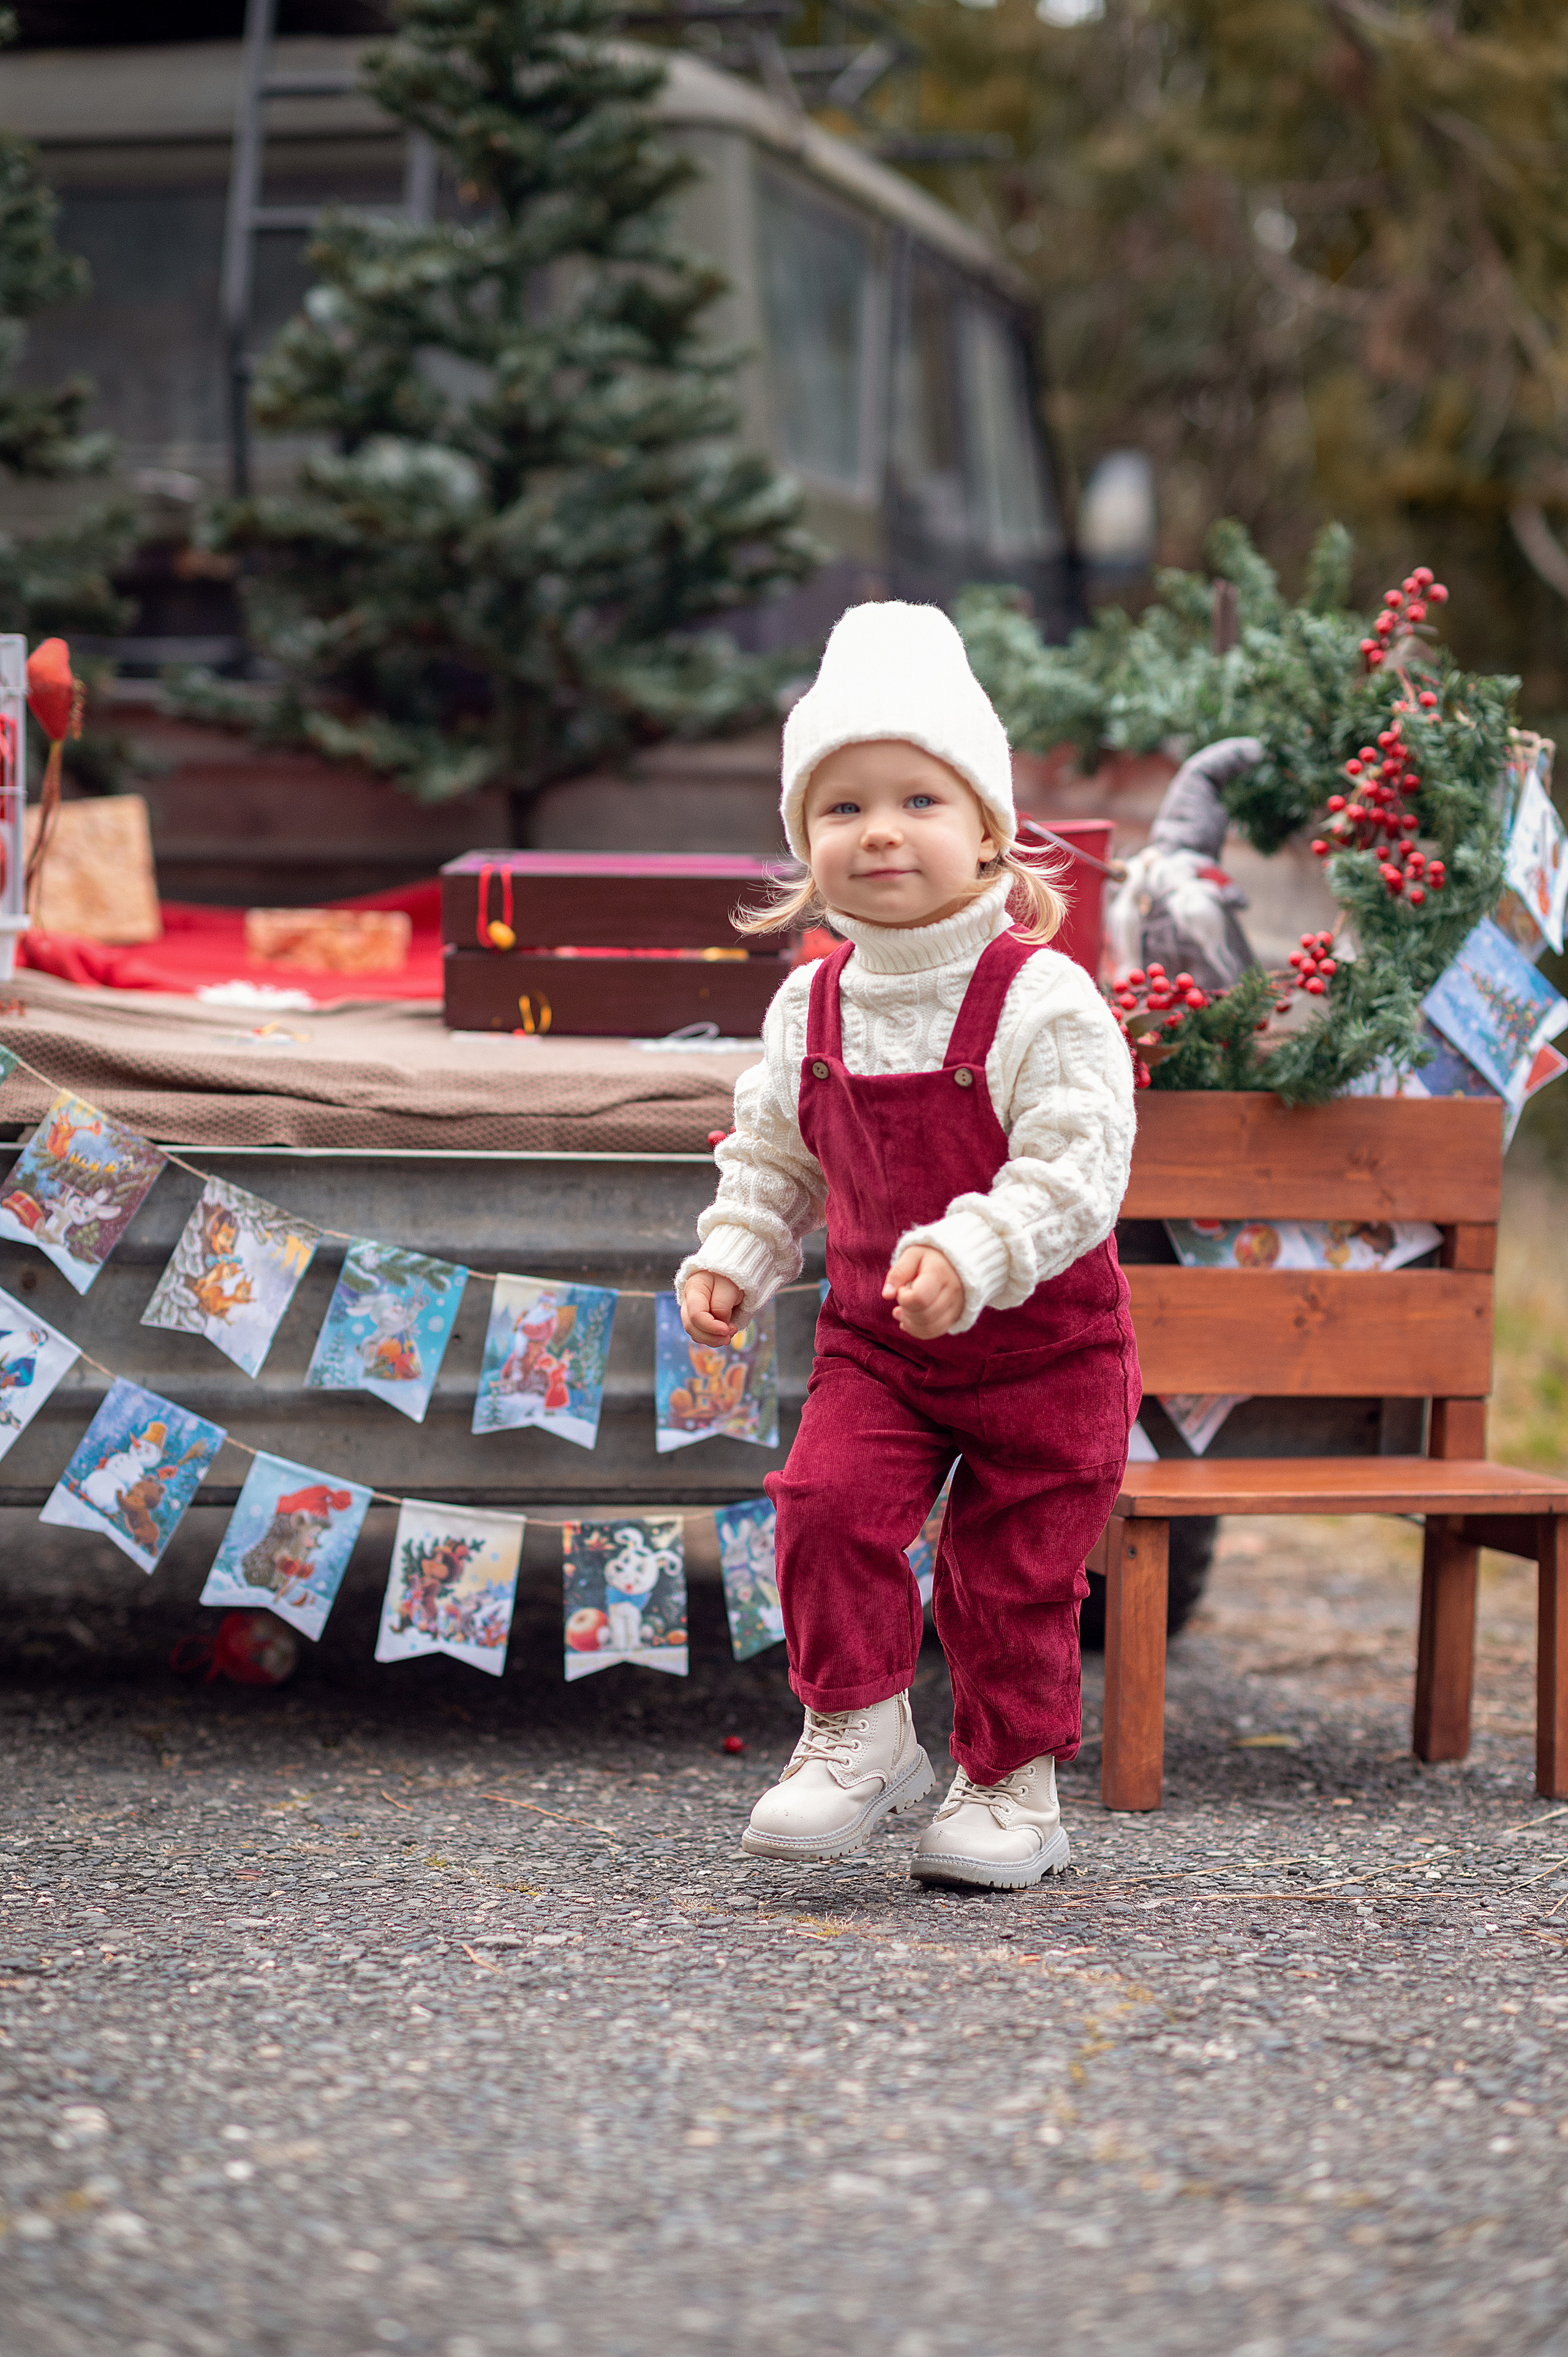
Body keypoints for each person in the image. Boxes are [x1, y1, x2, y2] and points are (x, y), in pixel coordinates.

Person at [676, 602, 1139, 1889]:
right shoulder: (807, 1001)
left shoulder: (1040, 998)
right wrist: (734, 1254)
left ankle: (1010, 1786)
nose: (879, 830)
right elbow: (773, 1158)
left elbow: (1076, 1170)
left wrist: (975, 1249)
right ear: (803, 844)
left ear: (988, 829)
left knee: (1008, 1582)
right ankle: (857, 1726)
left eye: (918, 799)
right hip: (879, 1347)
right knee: (822, 1507)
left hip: (1043, 1356)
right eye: (841, 808)